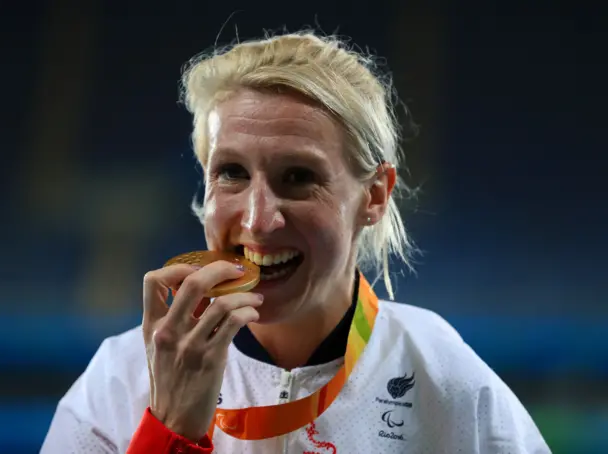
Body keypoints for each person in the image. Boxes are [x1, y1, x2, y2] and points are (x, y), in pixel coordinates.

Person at [40, 31, 551, 453]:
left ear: (374, 195)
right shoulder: (118, 381)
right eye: (232, 173)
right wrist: (169, 431)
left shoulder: (448, 385)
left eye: (299, 176)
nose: (259, 221)